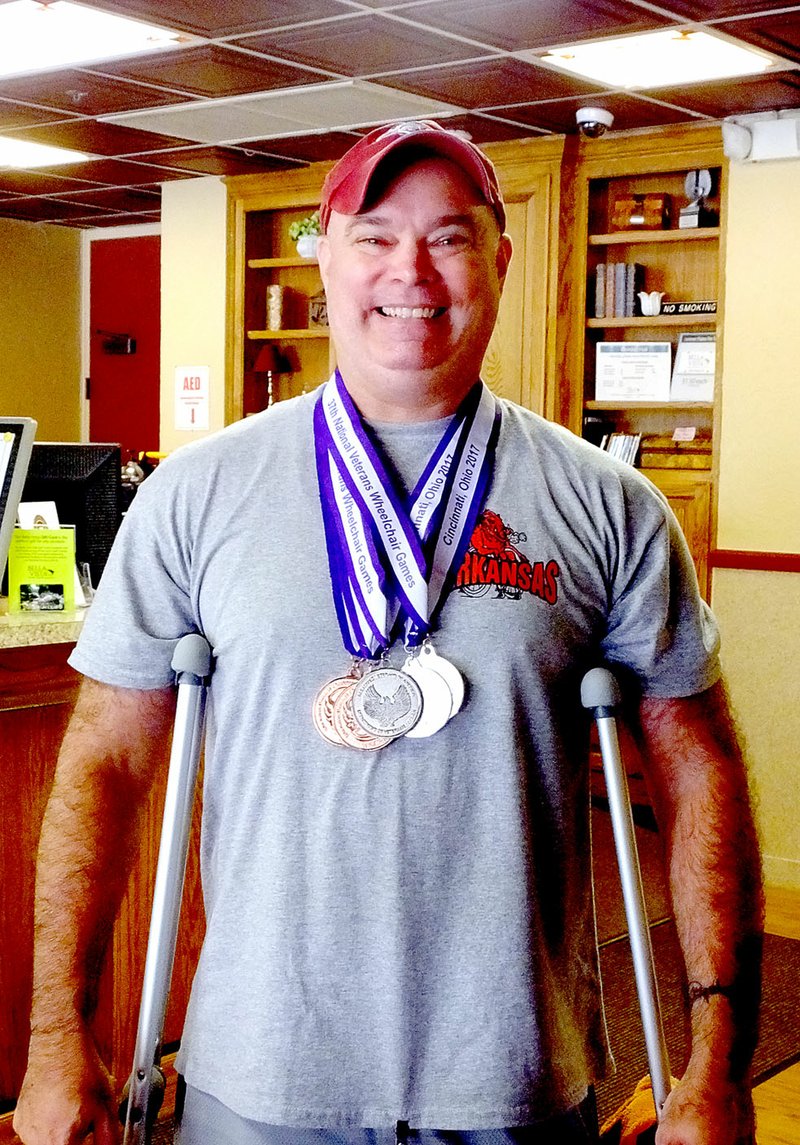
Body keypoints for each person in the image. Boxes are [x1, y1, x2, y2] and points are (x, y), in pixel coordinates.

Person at [14, 120, 763, 1145]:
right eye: (373, 233)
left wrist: (714, 1059)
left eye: (450, 236)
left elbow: (698, 772)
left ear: (498, 260)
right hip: (259, 1075)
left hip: (514, 1078)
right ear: (324, 252)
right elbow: (103, 764)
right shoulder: (196, 494)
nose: (410, 268)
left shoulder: (610, 505)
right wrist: (58, 1036)